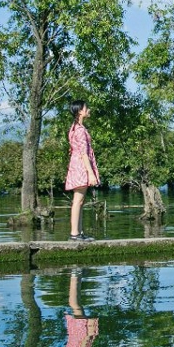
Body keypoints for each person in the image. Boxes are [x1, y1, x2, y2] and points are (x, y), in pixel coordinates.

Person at [65, 99, 99, 242]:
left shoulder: (74, 128)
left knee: (80, 200)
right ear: (80, 111)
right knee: (78, 200)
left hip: (77, 165)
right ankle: (74, 234)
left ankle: (78, 232)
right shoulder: (79, 130)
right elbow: (83, 153)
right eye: (86, 108)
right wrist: (91, 174)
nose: (88, 110)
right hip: (80, 166)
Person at [64, 269, 99, 347]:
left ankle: (75, 275)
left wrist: (88, 336)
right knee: (76, 307)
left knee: (76, 307)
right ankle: (76, 275)